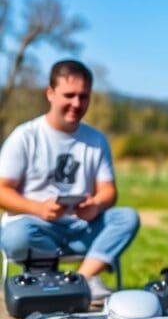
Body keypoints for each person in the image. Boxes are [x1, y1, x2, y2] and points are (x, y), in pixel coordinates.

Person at [0, 60, 140, 301]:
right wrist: (39, 209)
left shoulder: (95, 139)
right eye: (69, 95)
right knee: (16, 236)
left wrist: (95, 205)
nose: (77, 104)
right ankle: (56, 279)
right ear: (50, 93)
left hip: (81, 229)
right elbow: (2, 191)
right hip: (37, 229)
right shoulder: (25, 136)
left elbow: (108, 191)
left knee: (126, 217)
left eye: (83, 97)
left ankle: (79, 281)